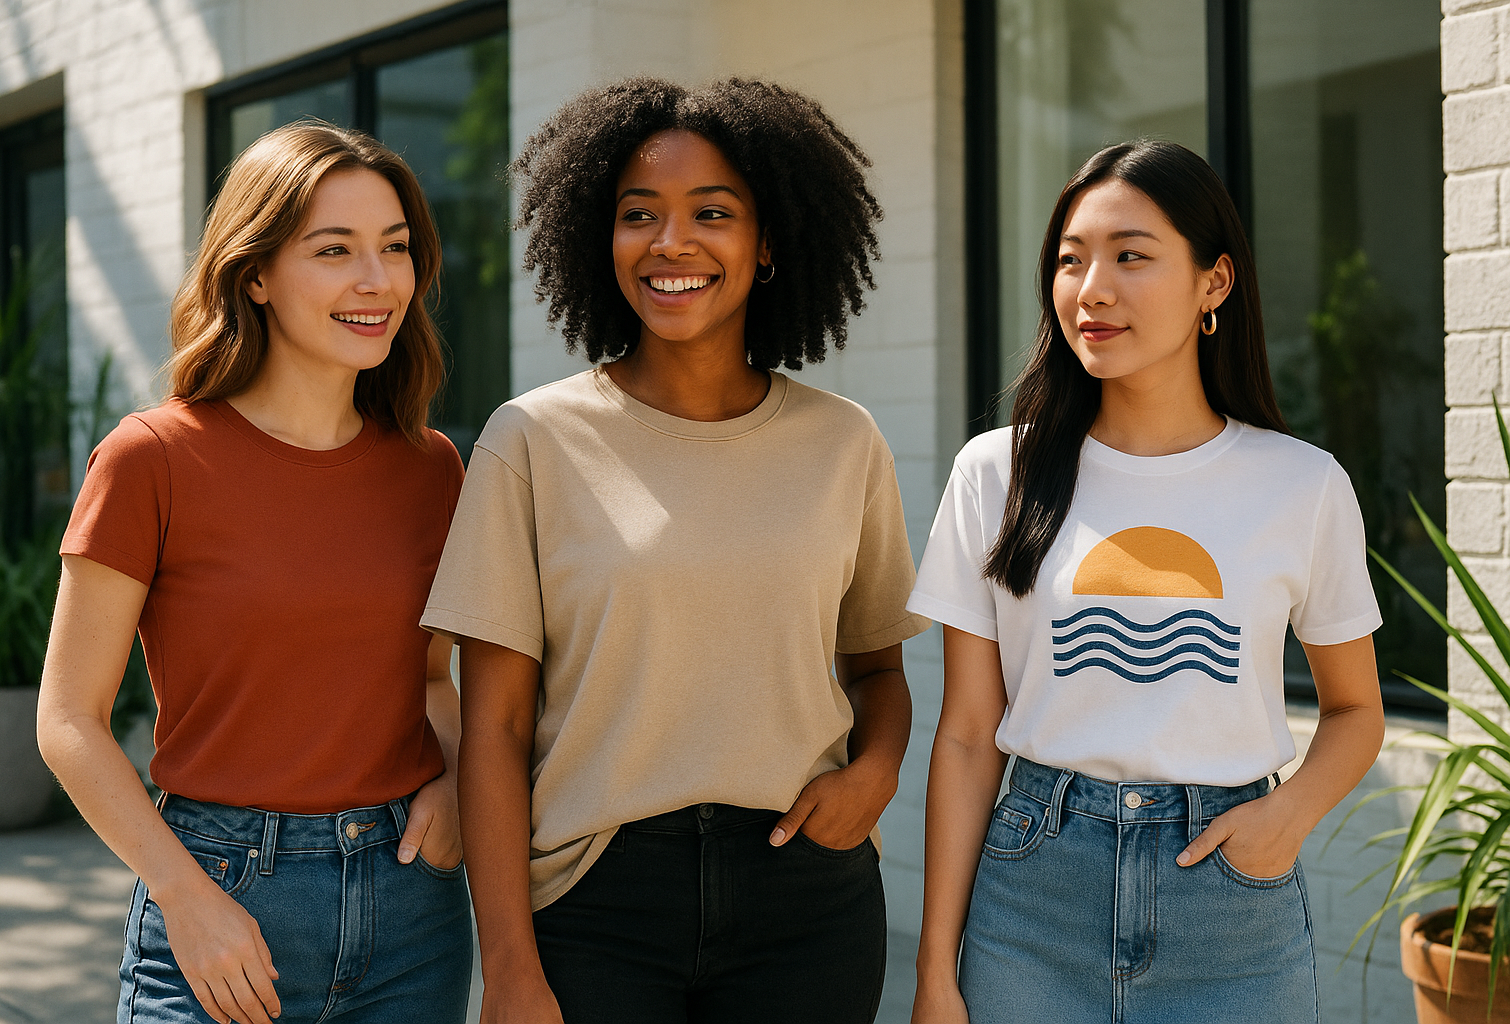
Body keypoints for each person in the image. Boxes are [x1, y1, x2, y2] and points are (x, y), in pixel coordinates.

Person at [421, 77, 930, 1024]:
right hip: (594, 899)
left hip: (803, 894)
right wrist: (511, 968)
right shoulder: (530, 440)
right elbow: (491, 730)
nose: (671, 242)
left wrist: (876, 773)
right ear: (598, 238)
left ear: (768, 241)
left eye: (713, 213)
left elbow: (878, 672)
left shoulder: (843, 442)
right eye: (638, 214)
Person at [907, 140, 1384, 1024]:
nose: (1092, 288)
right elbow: (970, 736)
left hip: (1230, 899)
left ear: (1214, 283)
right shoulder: (994, 473)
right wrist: (936, 971)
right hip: (1032, 893)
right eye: (1070, 259)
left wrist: (1287, 818)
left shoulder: (1302, 483)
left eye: (1131, 256)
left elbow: (1356, 711)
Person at [36, 121, 472, 1024]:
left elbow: (429, 678)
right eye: (334, 250)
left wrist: (456, 779)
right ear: (257, 273)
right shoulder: (150, 458)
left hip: (410, 909)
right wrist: (185, 900)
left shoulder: (431, 467)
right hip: (218, 895)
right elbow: (69, 719)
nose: (376, 280)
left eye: (395, 249)